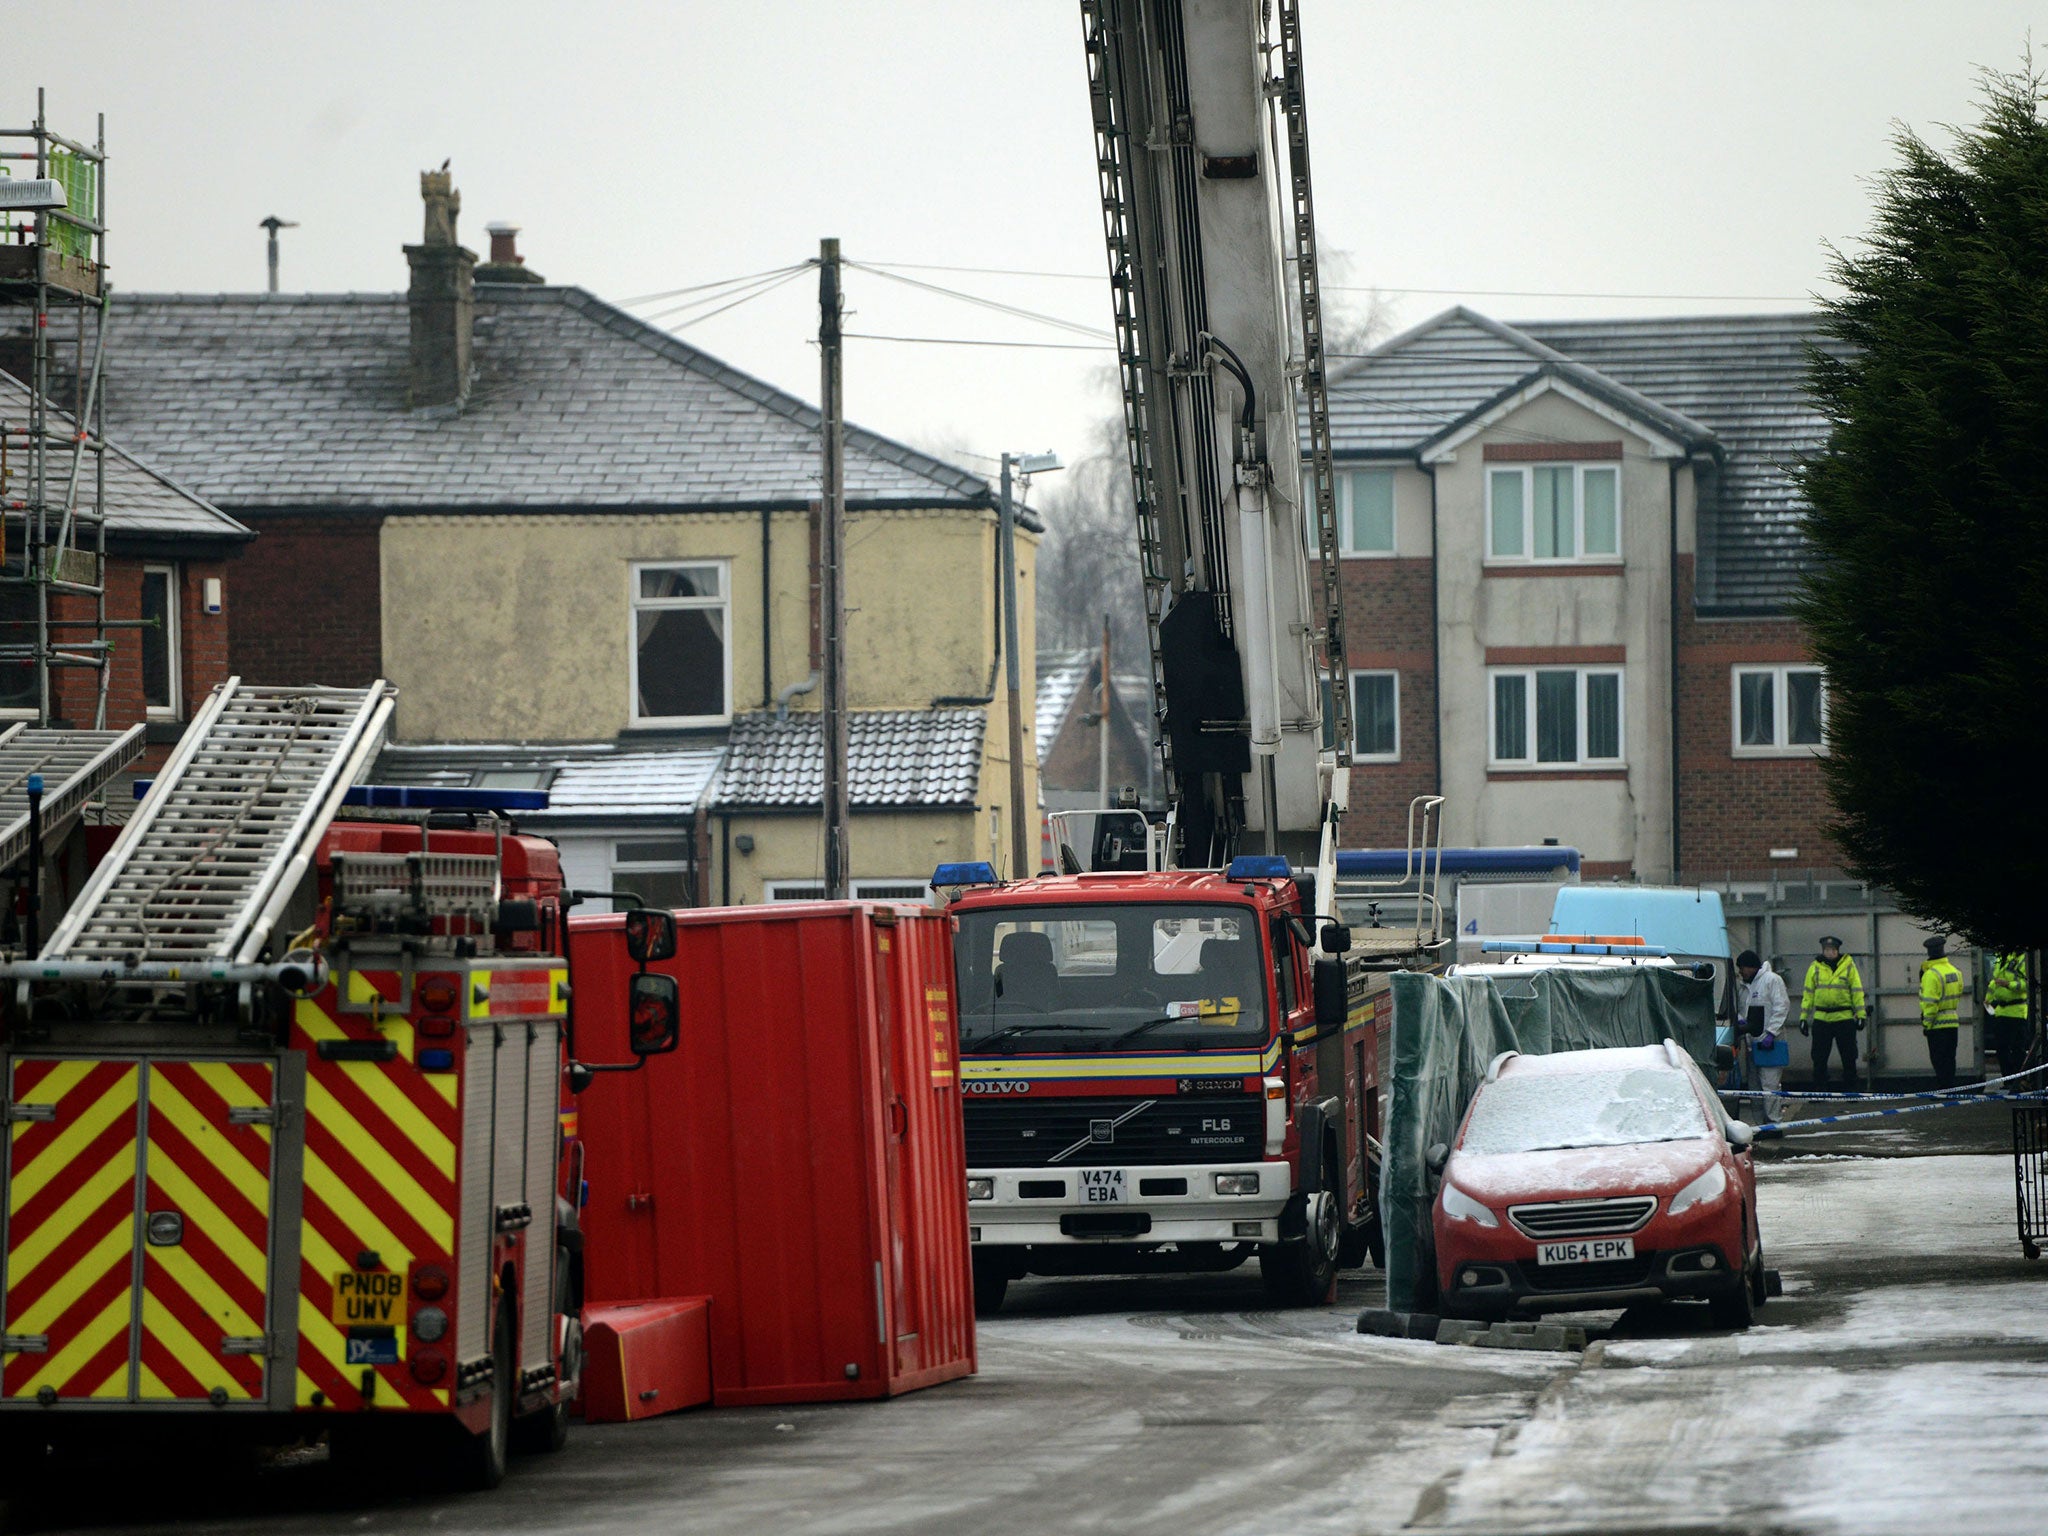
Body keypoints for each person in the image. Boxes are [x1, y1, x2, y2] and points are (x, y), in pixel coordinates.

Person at [1800, 935, 1867, 1089]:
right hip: (1821, 1018)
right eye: (1827, 950)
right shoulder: (1815, 967)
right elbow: (1808, 994)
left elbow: (1857, 991)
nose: (1829, 953)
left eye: (1832, 950)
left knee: (1849, 1057)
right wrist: (1803, 1017)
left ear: (1837, 951)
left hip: (1844, 1017)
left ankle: (1851, 1090)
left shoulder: (1849, 966)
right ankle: (1819, 1090)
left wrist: (1861, 1014)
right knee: (1819, 1058)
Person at [1736, 949, 1792, 1121]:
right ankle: (1761, 1124)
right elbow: (1740, 1010)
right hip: (1752, 1044)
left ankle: (1773, 1123)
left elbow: (1781, 1006)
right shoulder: (1744, 987)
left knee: (1770, 1085)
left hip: (1770, 1043)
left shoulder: (1771, 980)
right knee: (1755, 1088)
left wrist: (1771, 1033)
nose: (1740, 972)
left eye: (1742, 968)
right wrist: (1741, 1021)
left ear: (1751, 967)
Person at [1919, 936, 1964, 1089]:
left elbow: (1931, 1004)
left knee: (1938, 1060)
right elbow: (1959, 992)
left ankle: (1943, 1089)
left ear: (1929, 952)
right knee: (1950, 1059)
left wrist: (1927, 1024)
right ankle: (1950, 1088)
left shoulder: (1931, 974)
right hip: (1953, 1021)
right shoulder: (1955, 971)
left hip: (1937, 1025)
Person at [1985, 949, 2030, 1081]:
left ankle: (2019, 1080)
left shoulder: (2023, 959)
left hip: (2017, 1011)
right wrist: (1988, 998)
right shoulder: (2003, 957)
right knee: (2001, 1048)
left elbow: (2026, 984)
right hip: (2001, 1011)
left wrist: (2008, 984)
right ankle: (2008, 1080)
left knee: (2018, 1049)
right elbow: (1995, 982)